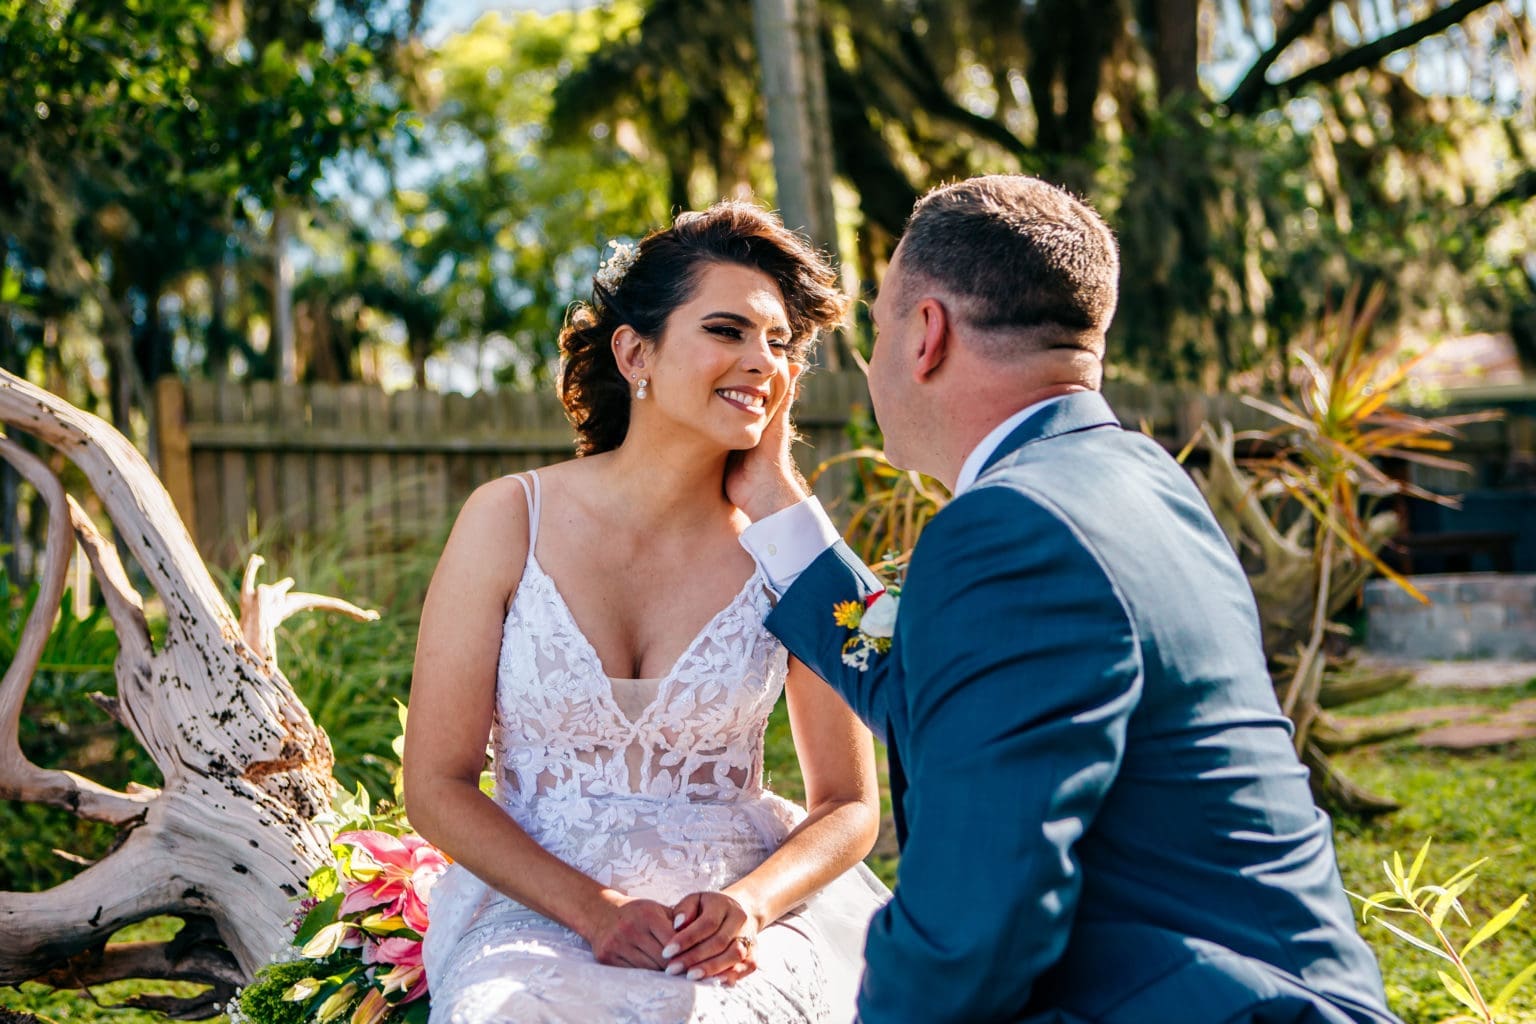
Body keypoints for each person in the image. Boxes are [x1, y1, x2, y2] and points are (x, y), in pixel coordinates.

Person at [728, 175, 1402, 1024]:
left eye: (877, 326)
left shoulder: (1009, 528)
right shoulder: (1142, 480)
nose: (871, 359)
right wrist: (776, 505)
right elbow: (933, 691)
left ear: (926, 335)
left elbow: (968, 939)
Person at [405, 201, 888, 1024]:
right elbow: (436, 784)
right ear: (635, 352)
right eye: (728, 331)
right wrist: (593, 910)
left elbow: (850, 803)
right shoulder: (506, 518)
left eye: (779, 344)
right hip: (536, 912)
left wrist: (752, 905)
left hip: (737, 922)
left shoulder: (794, 547)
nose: (762, 363)